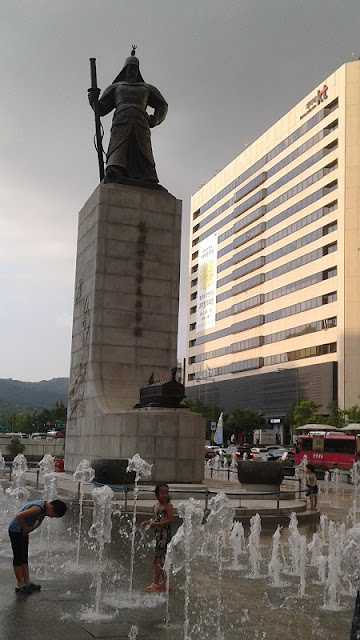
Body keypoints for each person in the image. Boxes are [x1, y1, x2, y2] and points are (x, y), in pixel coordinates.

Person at [88, 47, 168, 184]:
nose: (132, 71)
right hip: (121, 120)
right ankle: (115, 169)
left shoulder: (147, 88)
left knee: (143, 149)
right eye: (130, 68)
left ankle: (146, 174)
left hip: (141, 121)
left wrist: (155, 119)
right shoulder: (116, 87)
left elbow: (162, 105)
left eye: (135, 69)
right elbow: (101, 109)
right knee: (119, 145)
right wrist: (93, 99)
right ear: (125, 70)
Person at [8, 499, 67, 594]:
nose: (51, 518)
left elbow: (39, 521)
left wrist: (31, 529)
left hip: (23, 531)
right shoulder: (37, 508)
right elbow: (19, 516)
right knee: (18, 557)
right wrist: (25, 528)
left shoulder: (44, 511)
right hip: (15, 530)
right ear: (51, 508)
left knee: (24, 557)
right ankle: (20, 584)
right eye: (54, 515)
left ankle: (27, 582)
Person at [140, 483, 173, 592]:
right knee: (159, 560)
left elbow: (169, 520)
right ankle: (165, 582)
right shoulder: (156, 506)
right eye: (162, 493)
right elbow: (156, 520)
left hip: (164, 536)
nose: (164, 495)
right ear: (157, 494)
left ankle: (156, 583)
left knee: (157, 559)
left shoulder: (168, 506)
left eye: (166, 493)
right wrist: (149, 522)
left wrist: (156, 525)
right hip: (158, 535)